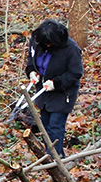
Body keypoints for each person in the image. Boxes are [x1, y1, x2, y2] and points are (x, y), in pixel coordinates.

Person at [25, 18, 83, 157]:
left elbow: (75, 73)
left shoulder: (71, 49)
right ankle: (48, 154)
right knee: (44, 124)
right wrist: (32, 71)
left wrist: (56, 83)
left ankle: (56, 157)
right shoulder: (37, 41)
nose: (48, 45)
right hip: (43, 93)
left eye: (50, 43)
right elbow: (31, 59)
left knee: (55, 126)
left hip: (63, 94)